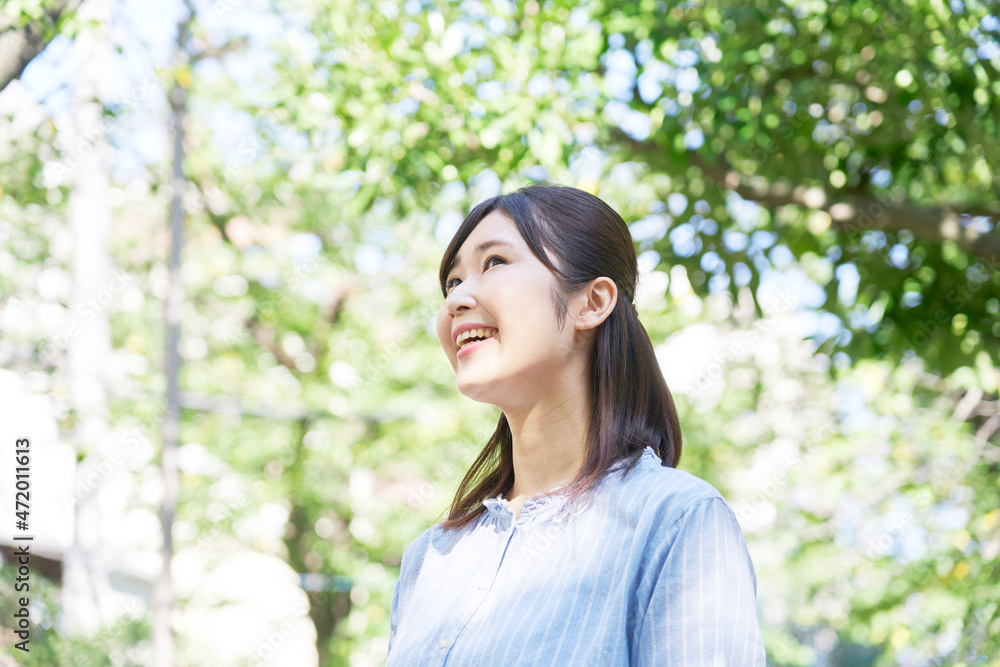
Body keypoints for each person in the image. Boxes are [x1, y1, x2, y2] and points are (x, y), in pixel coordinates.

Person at [387, 182, 766, 666]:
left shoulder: (675, 520)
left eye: (495, 262)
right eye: (452, 282)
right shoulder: (431, 558)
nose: (457, 300)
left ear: (592, 302)